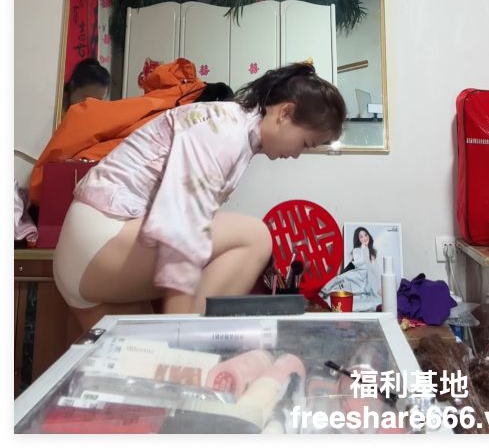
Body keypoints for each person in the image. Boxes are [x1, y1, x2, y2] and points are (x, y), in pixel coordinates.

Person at [53, 62, 346, 331]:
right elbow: (181, 231)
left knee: (143, 355)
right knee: (256, 237)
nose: (297, 155)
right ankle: (191, 336)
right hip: (100, 237)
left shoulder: (235, 131)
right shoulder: (225, 130)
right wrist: (183, 333)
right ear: (285, 113)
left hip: (89, 250)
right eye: (305, 143)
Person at [321, 226, 382, 311]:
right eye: (361, 237)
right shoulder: (357, 250)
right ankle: (326, 293)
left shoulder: (372, 252)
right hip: (359, 275)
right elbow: (354, 264)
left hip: (367, 278)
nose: (364, 238)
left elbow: (374, 270)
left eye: (365, 235)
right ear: (358, 239)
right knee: (340, 280)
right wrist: (344, 272)